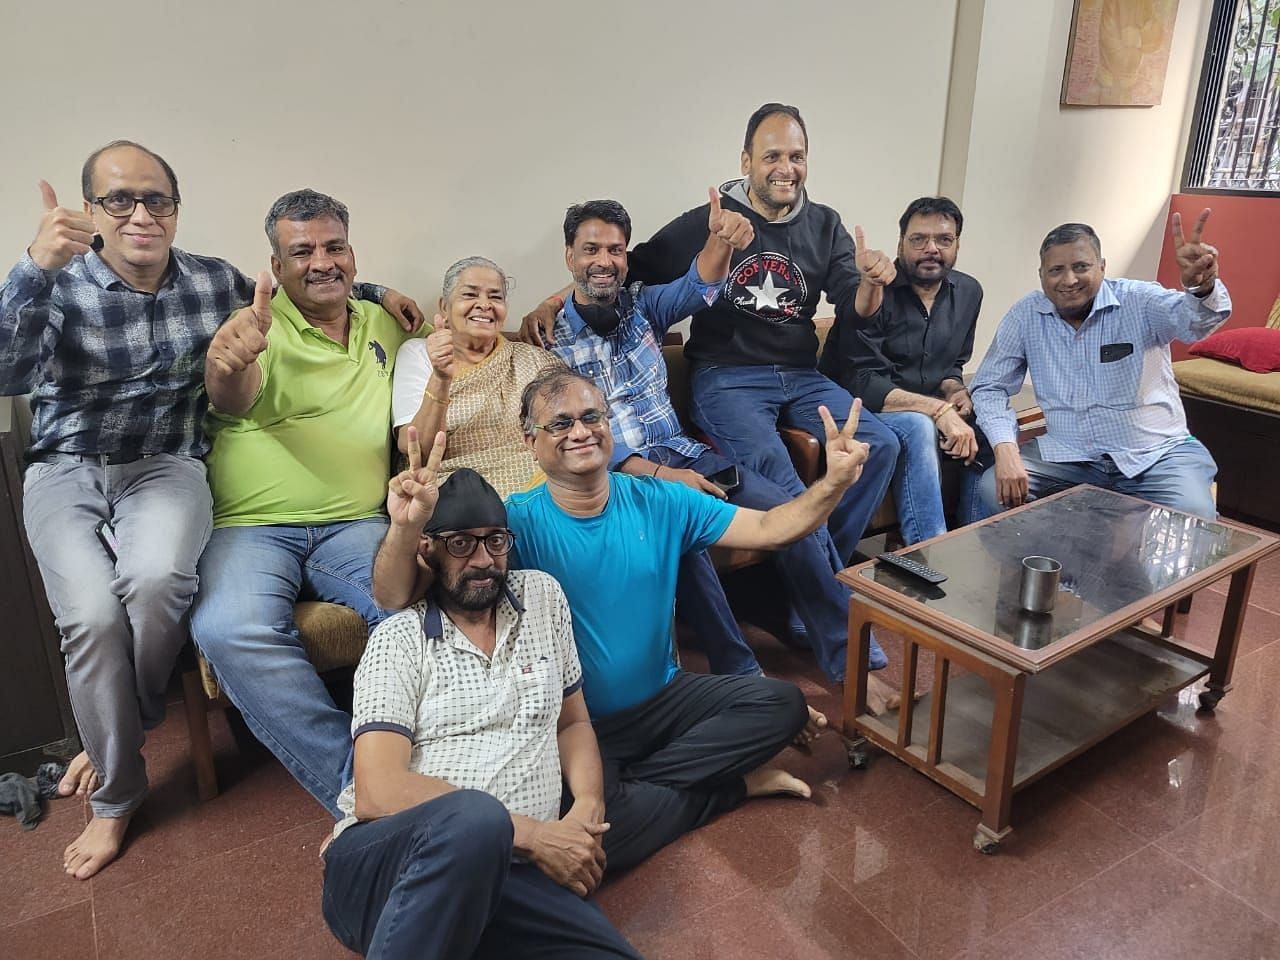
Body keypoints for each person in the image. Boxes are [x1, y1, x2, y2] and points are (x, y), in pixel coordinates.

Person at [0, 142, 421, 880]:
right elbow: (8, 373)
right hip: (91, 474)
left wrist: (383, 291)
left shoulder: (216, 282)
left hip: (197, 474)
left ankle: (417, 767)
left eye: (155, 199)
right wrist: (33, 268)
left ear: (175, 207)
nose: (139, 214)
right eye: (119, 200)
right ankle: (132, 785)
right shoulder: (67, 282)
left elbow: (322, 273)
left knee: (167, 583)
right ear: (91, 210)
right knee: (119, 619)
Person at [374, 367, 871, 872]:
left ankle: (635, 791)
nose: (581, 431)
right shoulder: (512, 521)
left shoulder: (659, 500)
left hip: (665, 700)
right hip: (576, 725)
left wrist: (831, 484)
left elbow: (769, 527)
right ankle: (727, 787)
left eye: (592, 416)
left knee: (782, 705)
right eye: (560, 423)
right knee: (587, 837)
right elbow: (396, 595)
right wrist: (405, 526)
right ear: (530, 441)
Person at [523, 102, 900, 564]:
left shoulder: (825, 224)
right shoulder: (708, 219)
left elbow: (857, 307)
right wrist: (552, 301)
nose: (786, 168)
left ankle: (820, 572)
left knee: (882, 444)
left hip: (802, 374)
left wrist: (871, 283)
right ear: (746, 162)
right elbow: (617, 268)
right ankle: (819, 582)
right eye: (772, 156)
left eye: (797, 156)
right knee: (775, 469)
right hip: (729, 376)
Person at [543, 196, 888, 680]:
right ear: (569, 257)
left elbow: (699, 282)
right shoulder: (548, 343)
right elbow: (585, 443)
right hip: (627, 479)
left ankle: (851, 664)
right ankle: (743, 676)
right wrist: (666, 477)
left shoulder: (643, 306)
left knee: (793, 510)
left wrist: (720, 241)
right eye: (590, 250)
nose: (604, 261)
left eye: (616, 250)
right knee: (682, 539)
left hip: (688, 455)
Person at [321, 464, 640, 960]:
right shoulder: (398, 640)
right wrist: (536, 836)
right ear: (428, 549)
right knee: (475, 817)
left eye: (495, 541)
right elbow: (376, 791)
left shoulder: (542, 598)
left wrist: (585, 809)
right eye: (461, 544)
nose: (484, 559)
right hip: (393, 866)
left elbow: (573, 721)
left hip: (510, 870)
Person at [189, 188, 423, 817]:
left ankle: (433, 759)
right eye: (302, 252)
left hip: (356, 522)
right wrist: (229, 363)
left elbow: (454, 330)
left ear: (353, 254)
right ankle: (359, 792)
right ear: (276, 262)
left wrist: (382, 291)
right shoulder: (255, 325)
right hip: (253, 527)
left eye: (334, 247)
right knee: (226, 627)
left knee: (417, 598)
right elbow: (232, 394)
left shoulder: (385, 323)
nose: (321, 261)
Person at [971, 212, 1230, 519]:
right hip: (1068, 458)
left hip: (1155, 456)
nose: (1068, 280)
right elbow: (989, 385)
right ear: (1041, 275)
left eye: (1081, 267)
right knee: (993, 490)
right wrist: (1006, 448)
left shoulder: (1139, 300)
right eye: (1056, 270)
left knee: (1193, 515)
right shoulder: (1026, 315)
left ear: (1102, 267)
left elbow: (1194, 324)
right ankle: (1061, 565)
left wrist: (1200, 290)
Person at [819, 196, 990, 537]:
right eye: (918, 239)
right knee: (918, 426)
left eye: (944, 240)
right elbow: (863, 383)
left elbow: (952, 365)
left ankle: (973, 541)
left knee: (992, 414)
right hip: (860, 408)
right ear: (900, 244)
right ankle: (929, 553)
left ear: (957, 245)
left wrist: (955, 390)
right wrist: (939, 411)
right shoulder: (871, 293)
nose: (931, 249)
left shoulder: (969, 292)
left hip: (922, 404)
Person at [392, 256, 561, 497]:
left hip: (537, 491)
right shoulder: (419, 354)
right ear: (444, 307)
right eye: (470, 295)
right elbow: (416, 451)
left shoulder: (534, 360)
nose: (484, 304)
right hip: (453, 495)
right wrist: (440, 377)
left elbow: (569, 428)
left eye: (495, 297)